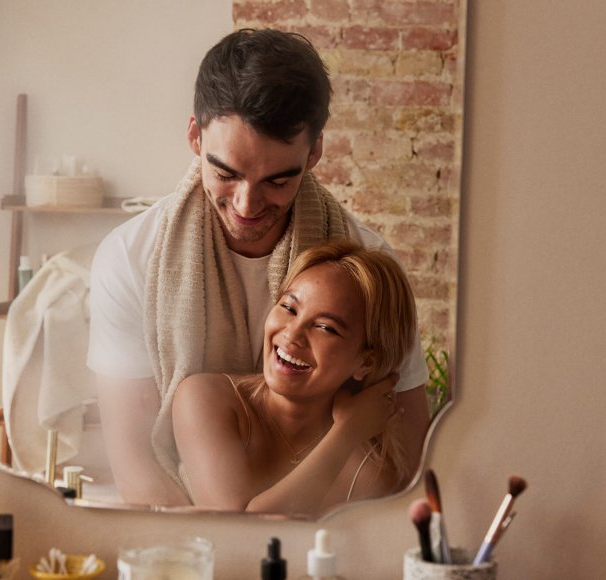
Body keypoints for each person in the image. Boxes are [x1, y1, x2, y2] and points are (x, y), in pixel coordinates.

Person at [87, 28, 430, 507]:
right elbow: (139, 471)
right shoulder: (130, 261)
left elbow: (407, 463)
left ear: (313, 154)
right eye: (226, 174)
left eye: (277, 180)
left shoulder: (367, 268)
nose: (247, 204)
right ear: (194, 135)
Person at [173, 241, 418, 516]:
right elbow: (237, 528)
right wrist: (346, 433)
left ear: (366, 361)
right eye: (289, 308)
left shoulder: (369, 473)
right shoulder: (205, 398)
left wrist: (348, 436)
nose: (292, 335)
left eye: (325, 327)